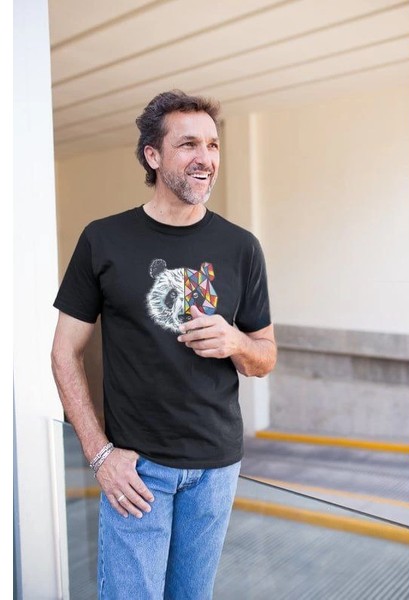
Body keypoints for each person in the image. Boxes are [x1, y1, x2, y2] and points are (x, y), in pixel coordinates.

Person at [51, 90, 277, 600]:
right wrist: (99, 454)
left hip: (216, 468)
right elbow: (64, 353)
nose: (206, 158)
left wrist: (235, 341)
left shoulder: (242, 247)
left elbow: (265, 357)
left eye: (213, 145)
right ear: (152, 155)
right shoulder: (103, 239)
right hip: (136, 469)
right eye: (189, 144)